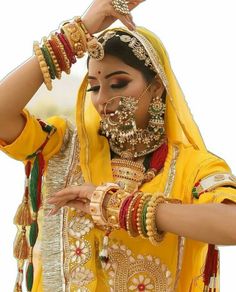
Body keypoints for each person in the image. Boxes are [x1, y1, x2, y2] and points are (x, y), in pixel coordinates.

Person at [0, 0, 236, 291]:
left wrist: (118, 207)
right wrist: (79, 32)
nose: (101, 100)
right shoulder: (64, 147)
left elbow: (231, 223)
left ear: (157, 86)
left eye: (119, 83)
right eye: (95, 87)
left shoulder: (193, 167)